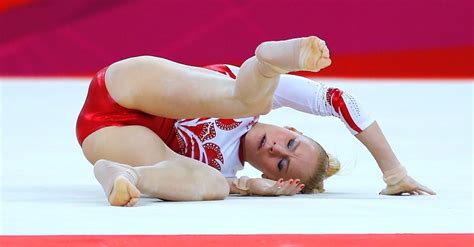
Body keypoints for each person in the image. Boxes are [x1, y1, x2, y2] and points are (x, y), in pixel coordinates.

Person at [76, 36, 435, 207]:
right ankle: (268, 61)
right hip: (132, 86)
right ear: (292, 129)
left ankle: (122, 175)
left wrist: (245, 187)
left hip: (104, 136)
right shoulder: (267, 100)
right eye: (291, 143)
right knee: (247, 97)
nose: (277, 147)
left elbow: (225, 184)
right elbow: (338, 100)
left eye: (280, 163)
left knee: (213, 186)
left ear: (270, 176)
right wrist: (393, 172)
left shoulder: (230, 176)